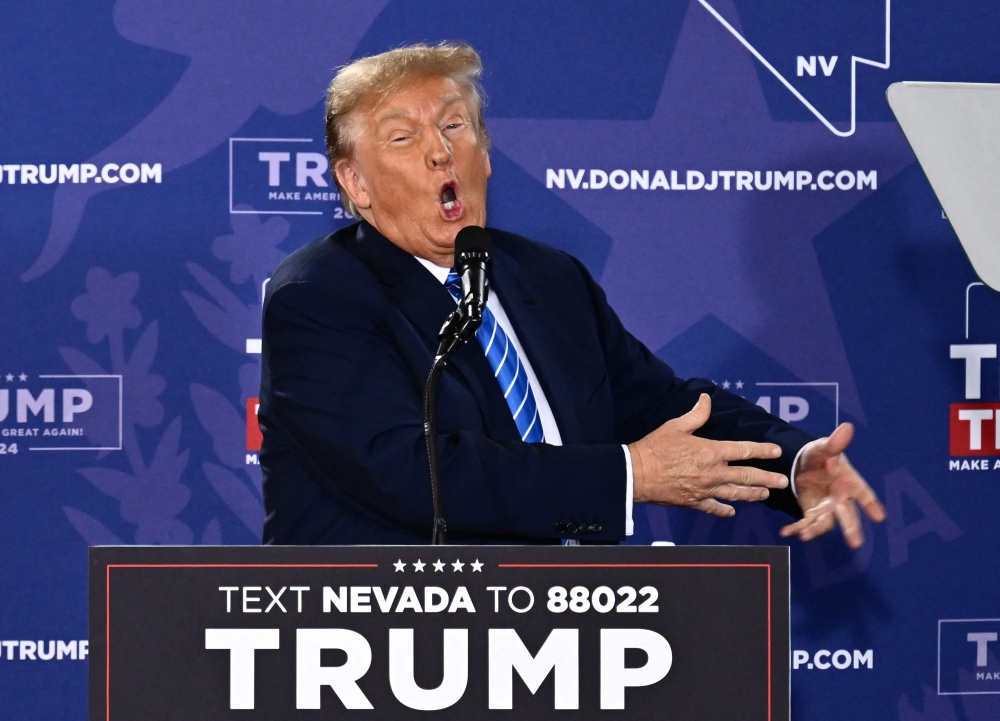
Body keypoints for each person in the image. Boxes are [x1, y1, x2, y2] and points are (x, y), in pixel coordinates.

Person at [258, 42, 885, 546]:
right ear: (355, 184)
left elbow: (660, 405)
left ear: (486, 156)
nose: (440, 151)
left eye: (455, 125)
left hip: (567, 632)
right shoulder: (320, 296)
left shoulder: (545, 276)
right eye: (403, 137)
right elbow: (405, 473)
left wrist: (795, 462)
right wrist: (630, 474)